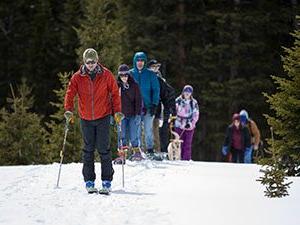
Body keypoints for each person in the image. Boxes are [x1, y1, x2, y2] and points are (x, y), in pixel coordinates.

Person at [64, 48, 122, 193]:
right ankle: (89, 181)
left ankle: (107, 181)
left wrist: (118, 112)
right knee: (88, 150)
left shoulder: (106, 75)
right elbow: (70, 93)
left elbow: (115, 94)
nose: (91, 64)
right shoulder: (78, 77)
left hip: (103, 116)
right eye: (88, 62)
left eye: (93, 61)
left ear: (97, 61)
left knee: (104, 149)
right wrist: (68, 109)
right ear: (84, 62)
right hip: (86, 118)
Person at [130, 52, 160, 154]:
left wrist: (154, 104)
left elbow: (156, 90)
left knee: (148, 130)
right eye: (138, 60)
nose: (140, 63)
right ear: (135, 61)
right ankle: (136, 151)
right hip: (135, 108)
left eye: (142, 60)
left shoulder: (150, 74)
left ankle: (150, 150)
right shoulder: (130, 74)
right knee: (136, 131)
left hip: (148, 107)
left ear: (145, 62)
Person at [115, 64, 143, 161]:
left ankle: (137, 152)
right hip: (120, 115)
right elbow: (112, 100)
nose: (124, 77)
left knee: (133, 134)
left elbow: (138, 100)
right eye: (122, 75)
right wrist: (112, 114)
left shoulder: (134, 85)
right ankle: (122, 154)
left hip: (132, 114)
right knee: (121, 135)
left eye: (126, 75)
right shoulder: (116, 86)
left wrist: (138, 114)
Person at [148, 59, 176, 156]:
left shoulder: (160, 79)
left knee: (156, 131)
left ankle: (157, 151)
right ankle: (144, 151)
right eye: (153, 67)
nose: (155, 69)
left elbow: (168, 94)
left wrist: (170, 109)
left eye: (157, 67)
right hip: (143, 109)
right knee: (145, 131)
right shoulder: (144, 77)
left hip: (157, 109)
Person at [174, 85, 199, 160]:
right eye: (186, 91)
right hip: (179, 124)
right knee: (178, 143)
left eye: (189, 92)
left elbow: (196, 114)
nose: (187, 93)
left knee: (187, 143)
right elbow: (174, 111)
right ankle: (178, 158)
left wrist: (191, 123)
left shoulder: (194, 102)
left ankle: (186, 159)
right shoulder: (178, 100)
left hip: (189, 125)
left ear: (191, 93)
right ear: (183, 92)